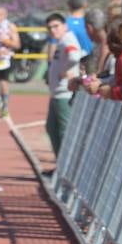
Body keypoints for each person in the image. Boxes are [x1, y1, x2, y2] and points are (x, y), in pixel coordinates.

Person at [44, 13, 84, 159]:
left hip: (64, 93)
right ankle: (59, 165)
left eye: (56, 26)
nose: (53, 30)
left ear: (65, 26)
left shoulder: (68, 39)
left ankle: (65, 165)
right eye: (50, 28)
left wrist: (64, 70)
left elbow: (74, 56)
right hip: (56, 93)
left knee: (63, 131)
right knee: (51, 129)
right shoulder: (61, 42)